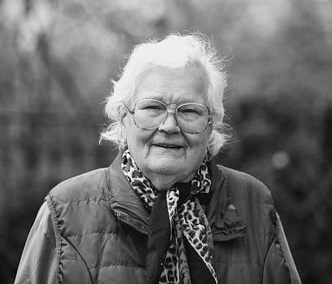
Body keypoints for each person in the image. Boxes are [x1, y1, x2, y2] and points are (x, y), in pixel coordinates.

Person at [15, 33, 301, 284]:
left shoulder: (254, 201)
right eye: (153, 107)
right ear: (123, 117)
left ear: (211, 125)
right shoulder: (64, 211)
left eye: (189, 111)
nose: (169, 126)